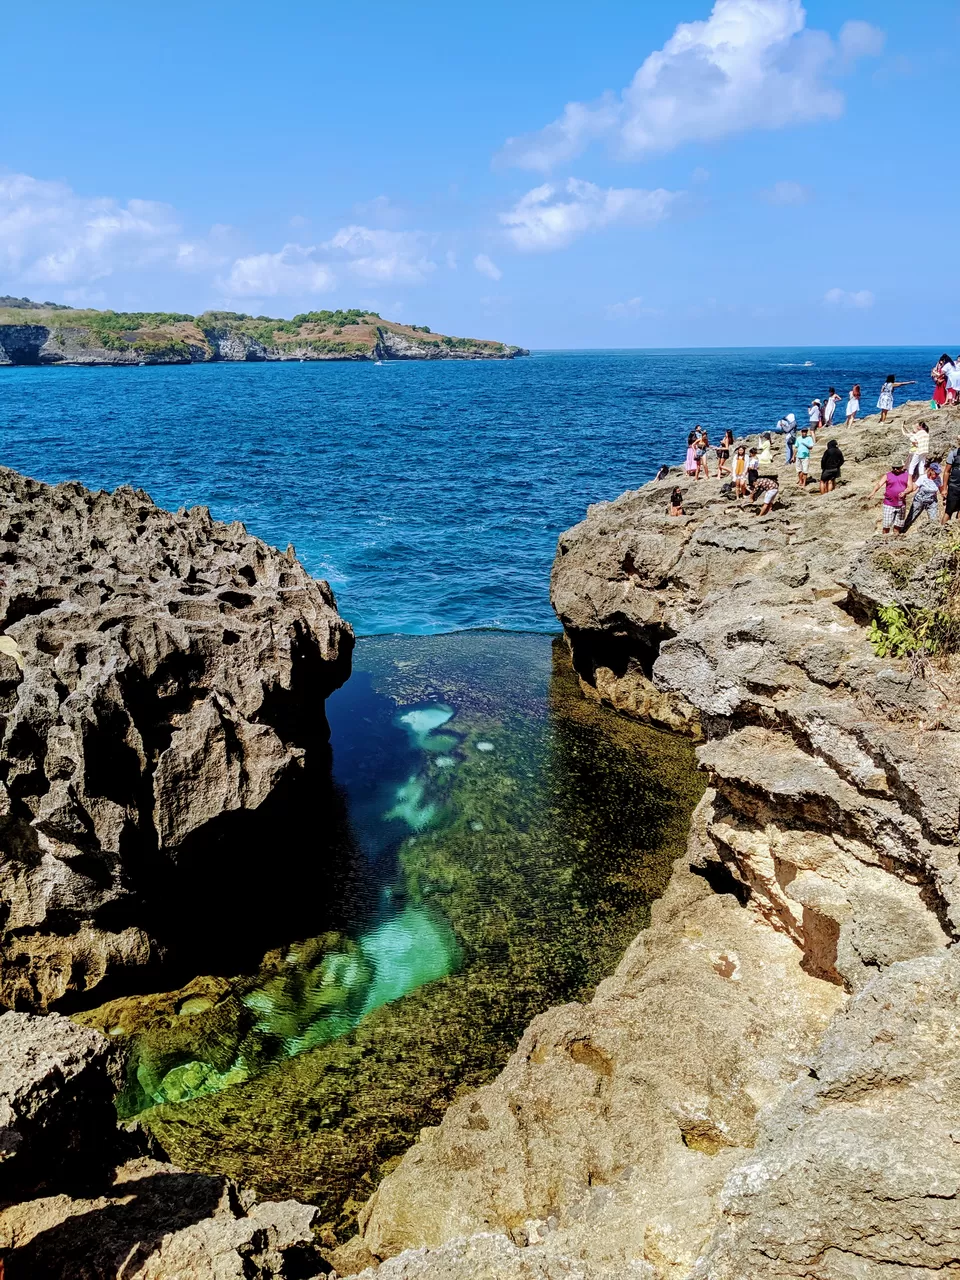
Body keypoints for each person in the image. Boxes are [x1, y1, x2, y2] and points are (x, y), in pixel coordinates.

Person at [869, 460, 911, 535]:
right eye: (893, 467)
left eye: (897, 468)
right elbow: (879, 484)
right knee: (886, 526)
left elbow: (910, 487)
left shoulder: (907, 475)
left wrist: (905, 492)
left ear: (902, 467)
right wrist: (873, 492)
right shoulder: (888, 475)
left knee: (897, 526)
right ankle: (883, 541)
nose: (895, 469)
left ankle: (894, 542)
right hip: (889, 503)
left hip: (901, 504)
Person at [904, 458, 941, 529]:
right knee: (911, 517)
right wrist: (906, 492)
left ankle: (933, 534)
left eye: (938, 473)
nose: (937, 474)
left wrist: (944, 497)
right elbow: (914, 487)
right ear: (931, 470)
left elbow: (942, 490)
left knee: (934, 521)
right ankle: (902, 531)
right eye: (935, 472)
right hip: (919, 500)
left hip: (931, 502)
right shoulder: (923, 478)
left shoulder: (938, 479)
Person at [942, 435, 960, 523]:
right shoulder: (954, 453)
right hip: (954, 487)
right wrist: (944, 489)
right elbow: (947, 471)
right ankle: (941, 532)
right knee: (949, 511)